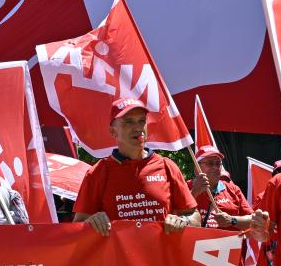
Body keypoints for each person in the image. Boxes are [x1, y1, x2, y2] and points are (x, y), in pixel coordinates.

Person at [73, 98, 200, 235]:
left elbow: (195, 217)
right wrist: (92, 221)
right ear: (112, 132)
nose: (138, 128)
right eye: (129, 122)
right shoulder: (98, 172)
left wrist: (184, 221)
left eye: (142, 121)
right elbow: (77, 226)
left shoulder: (167, 166)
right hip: (118, 256)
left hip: (162, 256)